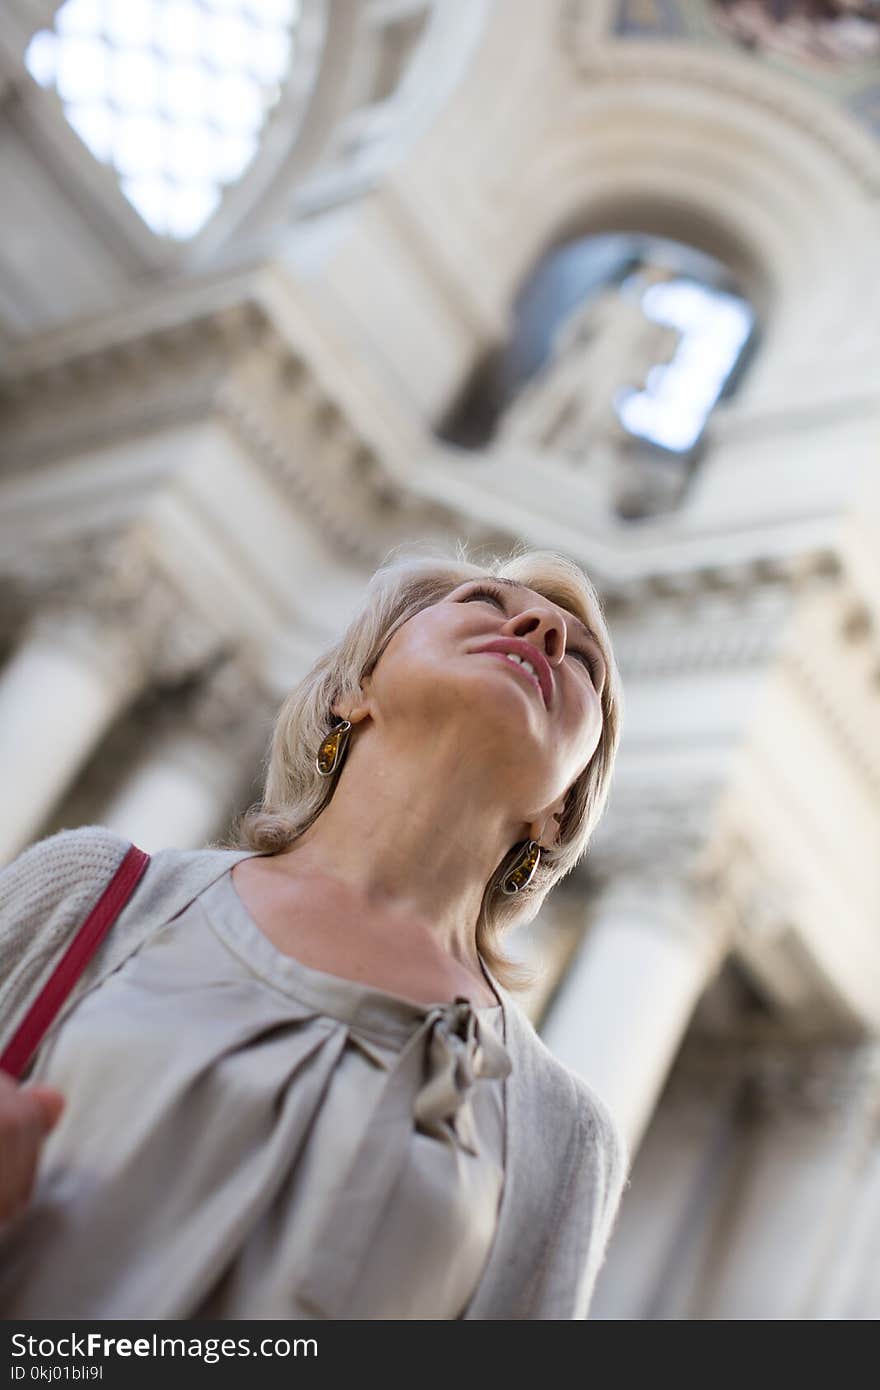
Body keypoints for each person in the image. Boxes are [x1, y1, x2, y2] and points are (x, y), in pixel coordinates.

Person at [0, 542, 630, 1320]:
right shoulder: (94, 892)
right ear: (354, 691)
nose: (542, 631)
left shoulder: (563, 1137)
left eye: (587, 668)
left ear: (558, 808)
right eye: (482, 604)